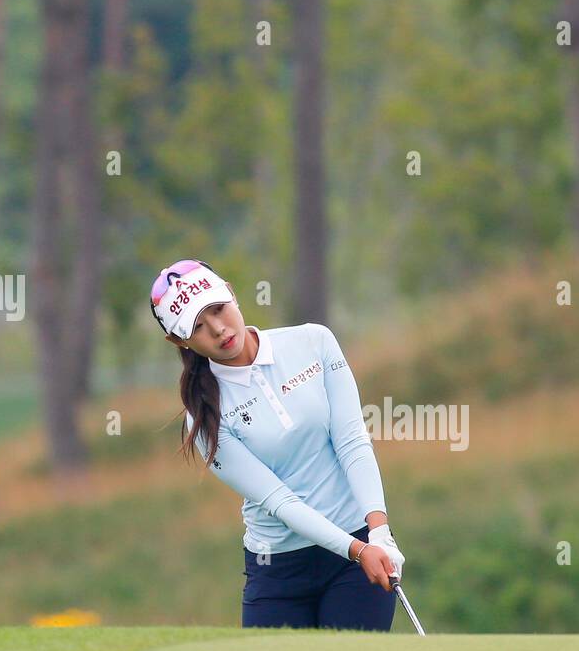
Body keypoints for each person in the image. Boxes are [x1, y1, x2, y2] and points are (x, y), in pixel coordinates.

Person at [149, 259, 406, 631]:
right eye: (198, 327)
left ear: (232, 295)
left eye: (218, 310)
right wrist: (360, 550)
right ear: (179, 341)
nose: (219, 330)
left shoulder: (313, 342)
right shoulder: (203, 417)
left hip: (357, 547)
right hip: (279, 573)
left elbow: (351, 440)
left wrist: (378, 531)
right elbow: (280, 501)